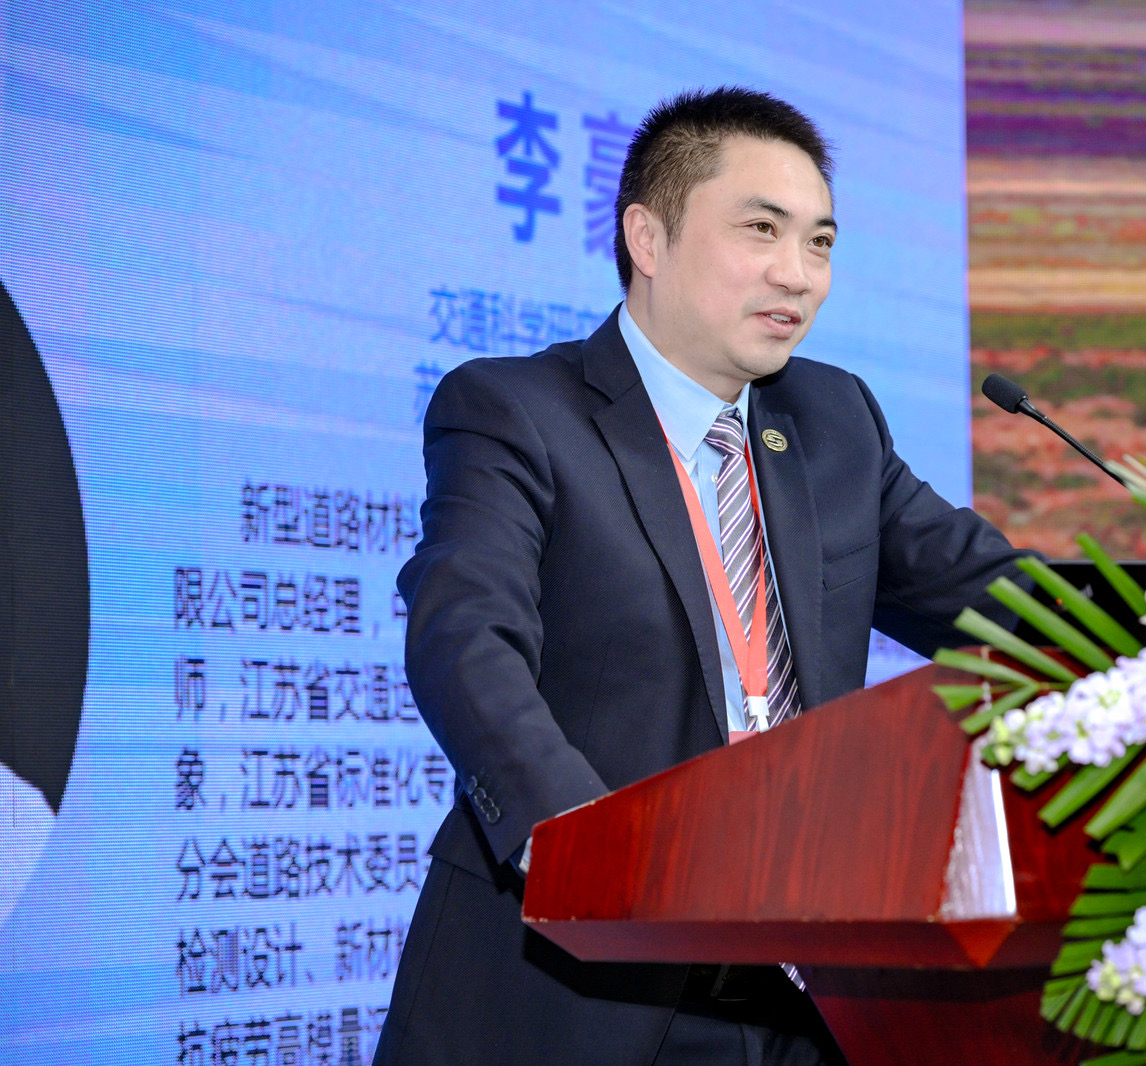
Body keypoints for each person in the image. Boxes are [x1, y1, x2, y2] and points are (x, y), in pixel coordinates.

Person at [374, 86, 1036, 1066]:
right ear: (648, 237)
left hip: (812, 995)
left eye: (819, 242)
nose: (798, 274)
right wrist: (590, 852)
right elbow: (464, 639)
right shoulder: (516, 412)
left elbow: (1000, 600)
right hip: (584, 983)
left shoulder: (834, 421)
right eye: (761, 230)